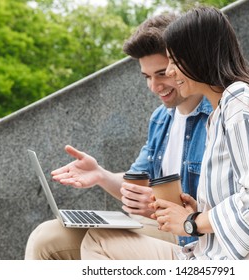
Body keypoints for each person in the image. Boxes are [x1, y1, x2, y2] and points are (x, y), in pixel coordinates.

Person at [78, 6, 249, 260]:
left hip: (234, 260)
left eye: (172, 62)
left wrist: (192, 222)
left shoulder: (240, 105)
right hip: (211, 251)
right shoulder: (223, 111)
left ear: (198, 56)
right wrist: (196, 211)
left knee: (99, 241)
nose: (170, 72)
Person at [24, 12, 212, 260]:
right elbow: (136, 184)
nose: (154, 87)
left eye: (162, 74)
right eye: (147, 77)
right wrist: (100, 175)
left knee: (100, 241)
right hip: (162, 227)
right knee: (46, 238)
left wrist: (158, 205)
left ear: (184, 63)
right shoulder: (161, 118)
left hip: (196, 236)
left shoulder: (219, 116)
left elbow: (233, 205)